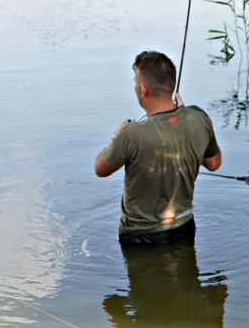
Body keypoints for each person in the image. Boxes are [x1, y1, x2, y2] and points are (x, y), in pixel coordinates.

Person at [94, 51, 222, 245]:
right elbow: (213, 163)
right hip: (185, 227)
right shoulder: (198, 117)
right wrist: (184, 119)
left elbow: (100, 169)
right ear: (170, 84)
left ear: (143, 90)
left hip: (141, 236)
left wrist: (117, 134)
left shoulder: (130, 134)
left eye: (135, 82)